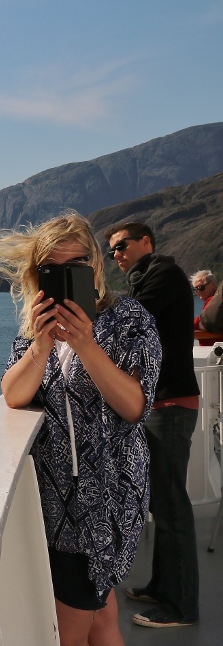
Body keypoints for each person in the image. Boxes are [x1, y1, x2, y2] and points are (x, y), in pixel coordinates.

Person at [0, 212, 161, 646]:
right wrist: (42, 344)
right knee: (99, 617)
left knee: (67, 631)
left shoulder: (129, 320)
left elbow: (135, 405)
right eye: (50, 270)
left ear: (93, 266)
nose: (62, 278)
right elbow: (14, 393)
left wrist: (85, 345)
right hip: (56, 501)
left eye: (74, 266)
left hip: (107, 497)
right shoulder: (35, 331)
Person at [105, 221, 201, 628]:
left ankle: (180, 607)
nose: (117, 254)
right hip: (157, 404)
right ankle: (162, 587)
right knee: (161, 503)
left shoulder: (164, 274)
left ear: (146, 241)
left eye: (122, 245)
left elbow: (132, 318)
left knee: (172, 506)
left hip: (171, 404)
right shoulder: (147, 280)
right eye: (111, 251)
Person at [191, 270, 218, 346]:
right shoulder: (215, 300)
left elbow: (203, 320)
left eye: (201, 287)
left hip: (213, 349)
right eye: (195, 289)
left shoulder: (213, 301)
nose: (198, 292)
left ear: (213, 285)